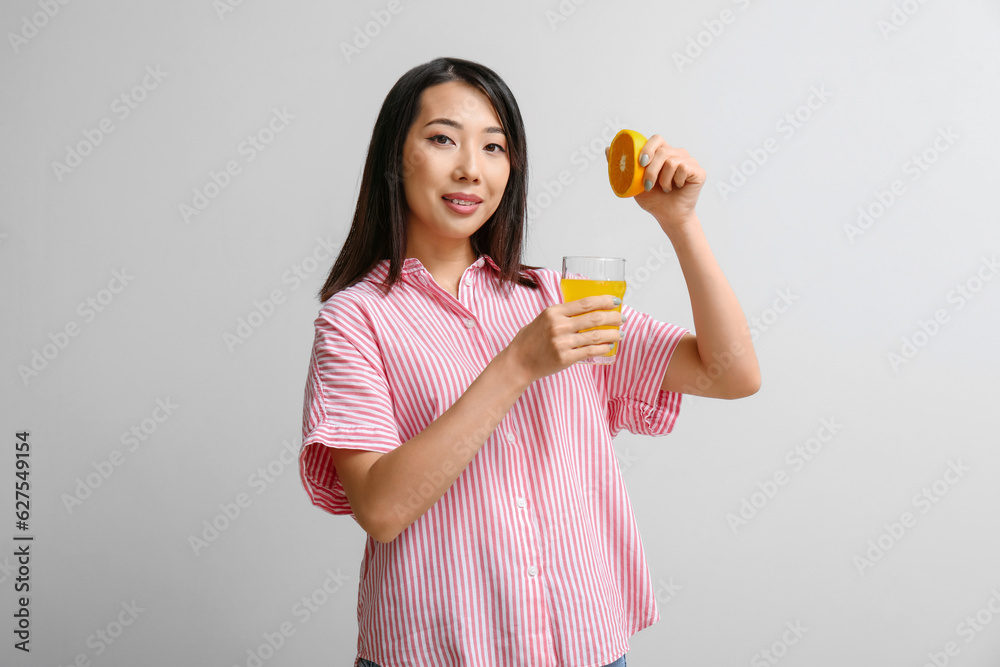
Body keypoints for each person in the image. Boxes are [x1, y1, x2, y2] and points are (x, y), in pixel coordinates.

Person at [298, 56, 760, 667]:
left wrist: (680, 223)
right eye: (442, 139)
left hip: (585, 645)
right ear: (395, 156)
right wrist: (515, 365)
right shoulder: (355, 319)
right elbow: (381, 510)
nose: (470, 169)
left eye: (494, 147)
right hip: (439, 653)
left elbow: (731, 373)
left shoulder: (553, 298)